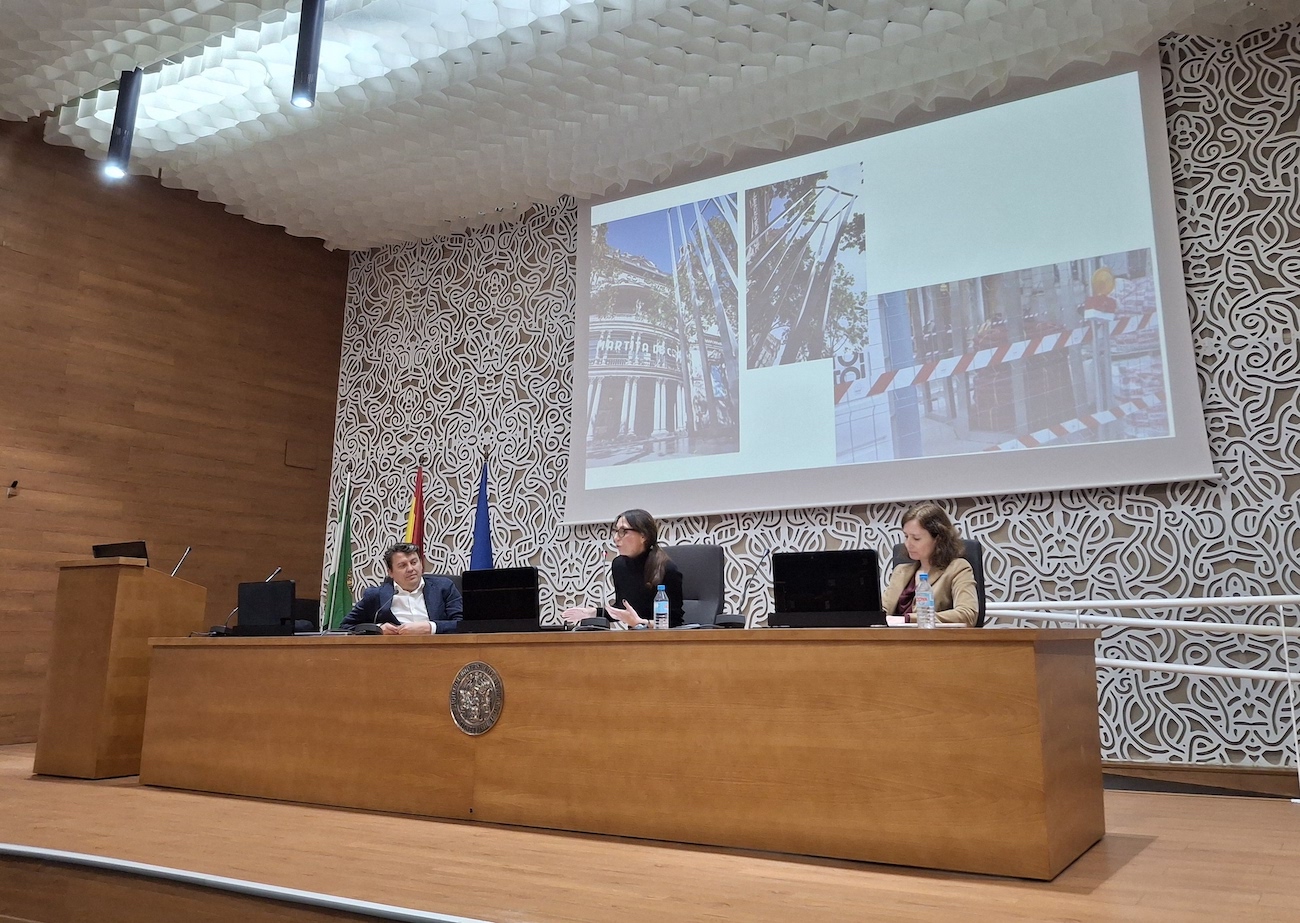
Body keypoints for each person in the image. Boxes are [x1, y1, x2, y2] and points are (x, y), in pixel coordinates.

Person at [562, 509, 685, 628]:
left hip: (662, 641)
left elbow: (674, 622)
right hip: (633, 640)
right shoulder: (619, 565)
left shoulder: (666, 569)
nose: (616, 537)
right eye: (615, 531)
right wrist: (592, 613)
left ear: (644, 536)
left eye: (623, 531)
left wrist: (641, 622)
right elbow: (622, 608)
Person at [882, 502, 978, 626]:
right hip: (892, 640)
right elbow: (882, 611)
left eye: (916, 538)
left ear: (938, 539)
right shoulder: (900, 571)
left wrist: (908, 619)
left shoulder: (957, 568)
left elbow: (967, 615)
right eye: (906, 536)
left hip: (935, 641)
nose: (908, 544)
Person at [339, 542, 463, 634]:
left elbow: (464, 625)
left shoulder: (444, 588)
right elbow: (345, 626)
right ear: (390, 572)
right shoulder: (376, 596)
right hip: (393, 657)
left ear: (421, 564)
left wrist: (431, 627)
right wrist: (378, 629)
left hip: (440, 654)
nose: (410, 569)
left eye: (414, 562)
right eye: (402, 565)